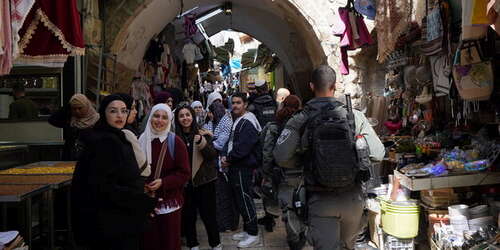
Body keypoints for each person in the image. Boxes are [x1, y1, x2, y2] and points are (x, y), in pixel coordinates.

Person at [273, 65, 385, 250]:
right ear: (335, 86)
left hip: (320, 199)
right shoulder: (353, 117)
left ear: (311, 86)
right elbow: (378, 153)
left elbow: (281, 156)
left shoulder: (301, 119)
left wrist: (305, 161)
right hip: (353, 198)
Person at [71, 94, 156, 250]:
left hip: (119, 220)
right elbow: (104, 187)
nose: (119, 115)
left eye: (124, 111)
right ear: (103, 113)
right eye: (113, 111)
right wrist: (141, 201)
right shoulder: (105, 141)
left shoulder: (117, 137)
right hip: (112, 224)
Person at [139, 104, 191, 250]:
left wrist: (163, 182)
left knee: (168, 243)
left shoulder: (176, 142)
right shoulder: (141, 140)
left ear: (169, 120)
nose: (159, 120)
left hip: (168, 205)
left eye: (164, 117)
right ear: (150, 117)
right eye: (156, 116)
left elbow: (184, 173)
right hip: (146, 203)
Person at [175, 106, 222, 250]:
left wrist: (202, 142)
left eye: (187, 115)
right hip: (186, 184)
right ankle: (193, 244)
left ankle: (215, 244)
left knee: (209, 216)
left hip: (204, 182)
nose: (185, 118)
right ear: (177, 119)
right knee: (188, 216)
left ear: (193, 116)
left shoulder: (203, 134)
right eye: (181, 116)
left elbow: (212, 155)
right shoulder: (175, 137)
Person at [221, 92, 262, 248]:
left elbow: (243, 148)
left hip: (242, 167)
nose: (235, 105)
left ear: (245, 104)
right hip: (238, 166)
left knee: (245, 199)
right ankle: (248, 230)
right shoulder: (241, 120)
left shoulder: (247, 122)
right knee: (241, 200)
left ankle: (253, 234)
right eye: (234, 103)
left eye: (239, 102)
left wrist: (228, 159)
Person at [258, 95, 302, 233]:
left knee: (272, 194)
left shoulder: (274, 126)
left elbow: (267, 150)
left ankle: (270, 219)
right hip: (298, 169)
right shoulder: (302, 124)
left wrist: (266, 172)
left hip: (278, 169)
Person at [203, 101, 240, 232]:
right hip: (214, 167)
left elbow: (219, 144)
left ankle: (229, 223)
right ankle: (221, 223)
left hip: (224, 166)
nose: (209, 115)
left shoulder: (226, 123)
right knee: (218, 196)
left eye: (211, 112)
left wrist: (209, 139)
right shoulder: (212, 123)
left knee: (226, 196)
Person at [49, 93, 99, 160]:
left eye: (80, 108)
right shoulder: (70, 120)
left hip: (90, 159)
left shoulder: (97, 120)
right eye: (74, 109)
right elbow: (52, 120)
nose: (77, 111)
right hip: (70, 158)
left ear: (86, 106)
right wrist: (68, 106)